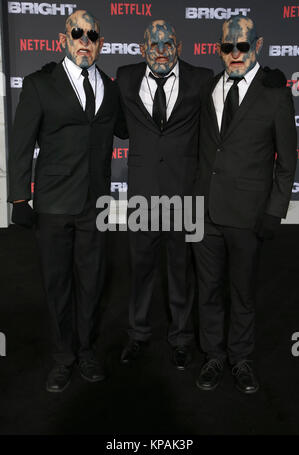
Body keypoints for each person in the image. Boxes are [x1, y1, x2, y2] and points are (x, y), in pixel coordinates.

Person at [8, 9, 127, 392]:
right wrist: (18, 198)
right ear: (64, 38)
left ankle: (87, 350)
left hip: (96, 206)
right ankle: (64, 357)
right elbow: (22, 145)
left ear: (100, 43)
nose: (84, 41)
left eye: (92, 35)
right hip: (54, 205)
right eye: (77, 33)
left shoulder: (111, 89)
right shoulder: (40, 84)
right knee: (58, 285)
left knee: (91, 283)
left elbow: (132, 123)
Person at [193, 15, 297, 393]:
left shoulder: (275, 94)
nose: (235, 53)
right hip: (204, 213)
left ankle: (241, 359)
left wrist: (274, 211)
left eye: (242, 45)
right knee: (207, 291)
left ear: (258, 45)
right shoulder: (209, 87)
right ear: (219, 49)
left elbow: (287, 162)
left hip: (249, 215)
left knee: (242, 292)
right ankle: (214, 357)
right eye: (227, 47)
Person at [117, 20, 213, 369]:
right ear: (142, 49)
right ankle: (138, 334)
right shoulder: (125, 78)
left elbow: (231, 97)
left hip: (183, 193)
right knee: (140, 269)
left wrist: (270, 79)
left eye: (167, 43)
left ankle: (181, 338)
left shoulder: (201, 80)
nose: (160, 50)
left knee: (180, 271)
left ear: (179, 47)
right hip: (142, 194)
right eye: (153, 44)